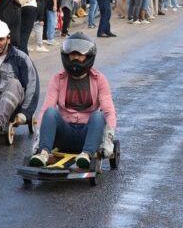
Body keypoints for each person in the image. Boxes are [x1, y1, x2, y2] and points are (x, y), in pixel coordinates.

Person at [29, 33, 117, 168]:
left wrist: (108, 139)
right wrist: (38, 139)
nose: (75, 57)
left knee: (99, 115)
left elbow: (109, 111)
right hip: (64, 135)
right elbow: (45, 109)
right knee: (51, 112)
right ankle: (44, 153)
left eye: (80, 55)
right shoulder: (58, 78)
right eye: (72, 54)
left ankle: (86, 155)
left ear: (88, 57)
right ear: (66, 55)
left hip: (88, 136)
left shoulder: (99, 79)